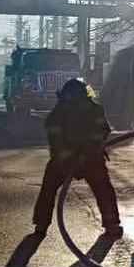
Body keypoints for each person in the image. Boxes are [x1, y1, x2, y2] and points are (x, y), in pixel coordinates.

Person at [32, 78, 122, 238]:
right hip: (68, 159)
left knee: (103, 189)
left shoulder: (86, 110)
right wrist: (69, 157)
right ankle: (112, 224)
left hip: (89, 158)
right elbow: (55, 138)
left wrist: (88, 151)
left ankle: (41, 224)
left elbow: (102, 131)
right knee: (101, 189)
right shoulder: (63, 112)